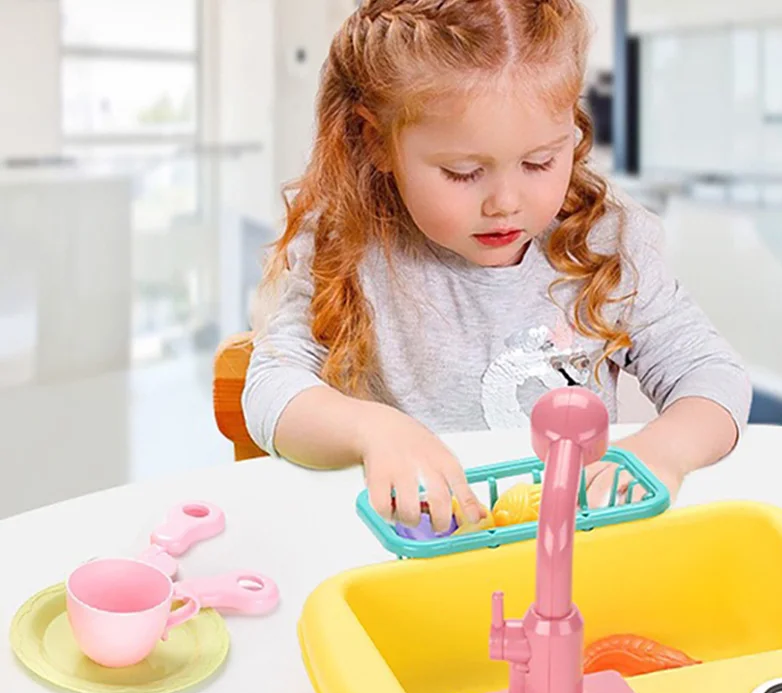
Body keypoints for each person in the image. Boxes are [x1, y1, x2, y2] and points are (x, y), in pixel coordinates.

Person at [244, 0, 752, 533]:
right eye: (463, 172)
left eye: (540, 162)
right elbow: (271, 389)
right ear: (377, 142)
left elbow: (711, 373)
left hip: (577, 554)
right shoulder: (346, 241)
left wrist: (663, 451)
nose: (505, 202)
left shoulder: (606, 240)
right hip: (410, 560)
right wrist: (371, 431)